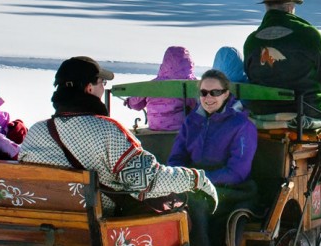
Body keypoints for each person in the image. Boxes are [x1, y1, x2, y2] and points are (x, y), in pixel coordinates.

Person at [18, 56, 217, 217]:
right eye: (101, 83)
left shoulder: (36, 132)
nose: (103, 87)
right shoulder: (107, 131)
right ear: (89, 88)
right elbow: (148, 181)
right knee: (186, 213)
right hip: (96, 230)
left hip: (45, 225)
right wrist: (195, 179)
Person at [168, 70, 258, 246]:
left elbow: (238, 172)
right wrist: (175, 176)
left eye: (214, 92)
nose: (208, 98)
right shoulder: (192, 121)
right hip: (193, 182)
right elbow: (176, 156)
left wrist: (199, 180)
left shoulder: (241, 125)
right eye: (204, 92)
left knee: (196, 203)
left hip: (233, 189)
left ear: (226, 94)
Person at [243, 0, 321, 119]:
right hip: (306, 114)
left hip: (262, 114)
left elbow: (251, 76)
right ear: (290, 7)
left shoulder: (251, 41)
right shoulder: (310, 35)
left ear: (266, 7)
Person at [124, 46, 198, 131]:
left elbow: (136, 104)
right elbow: (197, 105)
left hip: (155, 128)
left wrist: (129, 102)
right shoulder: (190, 85)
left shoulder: (152, 85)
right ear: (189, 64)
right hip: (181, 130)